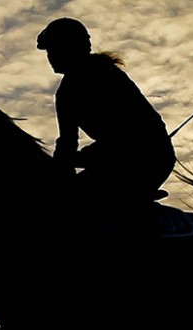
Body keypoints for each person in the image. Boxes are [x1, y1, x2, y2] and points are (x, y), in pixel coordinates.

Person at [39, 17, 174, 240]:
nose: (50, 57)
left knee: (96, 204)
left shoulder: (106, 75)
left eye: (54, 49)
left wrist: (82, 158)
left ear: (72, 47)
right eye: (49, 51)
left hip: (149, 157)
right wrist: (57, 173)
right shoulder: (64, 93)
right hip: (113, 161)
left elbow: (126, 132)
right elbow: (67, 141)